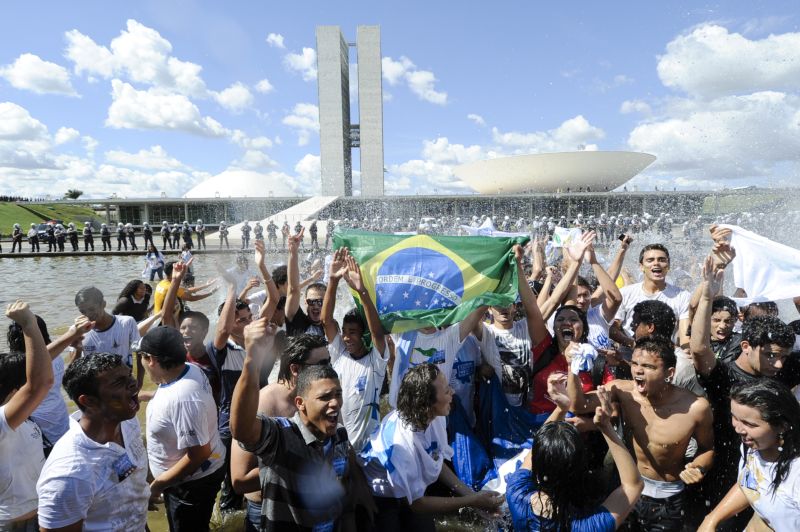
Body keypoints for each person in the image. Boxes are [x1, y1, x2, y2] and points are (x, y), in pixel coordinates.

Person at [232, 319, 376, 530]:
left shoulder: (327, 404)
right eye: (321, 364)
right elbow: (239, 479)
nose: (329, 369)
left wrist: (359, 487)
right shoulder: (267, 405)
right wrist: (299, 465)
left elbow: (340, 446)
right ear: (296, 369)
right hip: (273, 508)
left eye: (329, 362)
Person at [568, 336, 714, 532]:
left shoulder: (696, 408)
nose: (637, 370)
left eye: (648, 366)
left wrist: (698, 467)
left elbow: (708, 449)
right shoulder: (623, 391)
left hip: (669, 499)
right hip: (627, 491)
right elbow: (578, 404)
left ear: (669, 373)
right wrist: (572, 368)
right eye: (635, 363)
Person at [361, 363, 503, 531]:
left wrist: (473, 496)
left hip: (410, 490)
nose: (453, 392)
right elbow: (418, 504)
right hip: (379, 495)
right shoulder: (401, 444)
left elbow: (436, 460)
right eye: (446, 391)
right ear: (426, 404)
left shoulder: (434, 416)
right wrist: (472, 501)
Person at [505, 375, 643, 531]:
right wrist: (605, 427)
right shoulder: (588, 526)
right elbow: (634, 484)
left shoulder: (516, 494)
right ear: (580, 471)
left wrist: (561, 409)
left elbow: (535, 452)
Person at [36, 354, 149, 531]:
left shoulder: (126, 420)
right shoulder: (70, 473)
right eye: (118, 382)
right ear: (89, 401)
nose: (133, 383)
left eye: (129, 375)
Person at [211, 241, 279, 513]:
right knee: (231, 484)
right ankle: (228, 517)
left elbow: (274, 300)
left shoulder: (257, 339)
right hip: (231, 423)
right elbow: (223, 328)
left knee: (263, 473)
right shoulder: (223, 350)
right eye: (242, 320)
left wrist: (262, 265)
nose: (250, 322)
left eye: (250, 316)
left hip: (261, 417)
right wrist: (232, 290)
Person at [138, 326, 226, 532]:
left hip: (191, 483)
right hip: (193, 475)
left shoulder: (182, 399)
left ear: (151, 359)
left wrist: (157, 486)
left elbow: (198, 454)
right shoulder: (188, 369)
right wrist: (149, 396)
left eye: (141, 357)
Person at [699, 379, 800, 531]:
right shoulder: (752, 445)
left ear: (782, 426)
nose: (739, 429)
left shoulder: (796, 474)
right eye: (735, 417)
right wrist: (712, 519)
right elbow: (750, 483)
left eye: (750, 424)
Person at [322, 248, 389, 451]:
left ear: (363, 335)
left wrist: (362, 291)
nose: (346, 337)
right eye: (345, 331)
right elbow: (326, 321)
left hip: (370, 449)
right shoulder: (339, 354)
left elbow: (377, 333)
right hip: (341, 446)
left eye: (353, 332)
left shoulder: (375, 362)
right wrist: (332, 281)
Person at [0, 300, 53, 530]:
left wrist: (71, 336)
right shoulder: (2, 423)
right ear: (15, 392)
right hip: (12, 524)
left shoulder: (22, 421)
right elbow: (40, 382)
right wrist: (29, 324)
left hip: (40, 513)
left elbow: (41, 373)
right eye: (24, 386)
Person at [610, 244, 690, 349]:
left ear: (668, 265)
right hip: (630, 356)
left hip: (666, 356)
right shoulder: (625, 293)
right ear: (641, 266)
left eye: (661, 260)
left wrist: (682, 352)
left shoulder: (682, 296)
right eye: (650, 260)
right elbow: (612, 329)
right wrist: (633, 344)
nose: (656, 263)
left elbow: (685, 337)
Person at [73, 286, 143, 390]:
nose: (88, 314)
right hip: (97, 388)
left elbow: (139, 353)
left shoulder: (126, 323)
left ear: (103, 304)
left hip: (124, 384)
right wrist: (78, 349)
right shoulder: (78, 331)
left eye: (92, 309)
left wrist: (140, 382)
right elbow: (73, 370)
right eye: (83, 311)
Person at [285, 227, 327, 338]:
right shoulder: (297, 321)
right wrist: (293, 252)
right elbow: (293, 290)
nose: (316, 306)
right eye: (311, 302)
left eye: (320, 302)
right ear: (305, 302)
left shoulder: (331, 326)